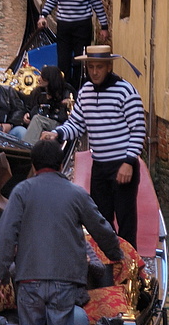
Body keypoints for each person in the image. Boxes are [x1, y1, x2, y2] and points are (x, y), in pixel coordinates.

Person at [0, 139, 123, 325]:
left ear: (33, 165)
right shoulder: (76, 194)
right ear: (61, 165)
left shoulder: (21, 192)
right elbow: (101, 229)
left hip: (29, 281)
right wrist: (116, 254)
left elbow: (5, 236)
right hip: (64, 282)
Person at [41, 46, 146, 249]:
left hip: (121, 164)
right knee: (101, 221)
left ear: (109, 66)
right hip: (99, 166)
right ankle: (109, 262)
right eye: (91, 67)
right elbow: (77, 123)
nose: (95, 72)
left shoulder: (126, 91)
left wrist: (128, 162)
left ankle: (131, 267)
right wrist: (58, 133)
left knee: (126, 221)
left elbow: (139, 130)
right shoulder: (86, 91)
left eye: (99, 67)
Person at [37, 0, 109, 89]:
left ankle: (77, 91)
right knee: (63, 62)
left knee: (79, 62)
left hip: (82, 26)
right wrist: (43, 15)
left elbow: (97, 3)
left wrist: (104, 26)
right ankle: (64, 91)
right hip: (63, 25)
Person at [9, 65, 75, 145]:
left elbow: (65, 115)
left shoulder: (66, 91)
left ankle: (27, 148)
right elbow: (30, 107)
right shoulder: (38, 92)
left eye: (42, 77)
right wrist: (27, 114)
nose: (39, 79)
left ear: (49, 79)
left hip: (60, 125)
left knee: (37, 119)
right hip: (42, 122)